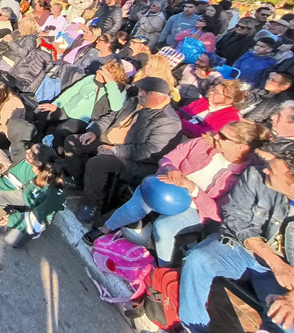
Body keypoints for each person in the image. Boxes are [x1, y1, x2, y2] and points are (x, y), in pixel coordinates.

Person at [84, 121, 268, 266]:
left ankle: (162, 269)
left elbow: (218, 211)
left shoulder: (245, 175)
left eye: (223, 137)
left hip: (197, 208)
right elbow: (169, 158)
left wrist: (193, 189)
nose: (216, 137)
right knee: (136, 206)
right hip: (167, 186)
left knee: (164, 228)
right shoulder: (202, 143)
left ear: (241, 146)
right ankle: (104, 229)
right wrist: (170, 168)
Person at [178, 143, 294, 333]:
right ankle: (192, 328)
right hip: (246, 249)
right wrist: (274, 262)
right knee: (199, 259)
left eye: (274, 169)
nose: (266, 170)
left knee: (287, 321)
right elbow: (234, 218)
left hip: (284, 276)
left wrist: (290, 299)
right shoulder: (256, 176)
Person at [61, 77, 182, 209]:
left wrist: (116, 150)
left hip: (135, 158)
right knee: (72, 142)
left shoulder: (168, 121)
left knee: (97, 163)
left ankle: (91, 203)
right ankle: (80, 181)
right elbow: (111, 116)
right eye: (140, 90)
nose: (140, 93)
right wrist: (94, 131)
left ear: (160, 97)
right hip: (109, 140)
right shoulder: (134, 101)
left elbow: (150, 151)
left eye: (145, 92)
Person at [0, 145, 65, 247]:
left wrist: (13, 220)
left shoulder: (52, 190)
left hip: (38, 215)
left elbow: (38, 217)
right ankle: (17, 212)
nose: (27, 151)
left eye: (31, 152)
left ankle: (29, 226)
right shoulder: (30, 164)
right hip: (27, 200)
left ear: (38, 163)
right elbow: (14, 180)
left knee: (12, 240)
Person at [34, 62, 128, 148]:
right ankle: (34, 143)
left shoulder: (117, 91)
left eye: (103, 72)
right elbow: (71, 92)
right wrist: (55, 104)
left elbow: (116, 106)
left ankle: (51, 156)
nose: (99, 71)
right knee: (42, 113)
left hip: (83, 119)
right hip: (67, 108)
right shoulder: (90, 78)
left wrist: (110, 83)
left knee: (62, 130)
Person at [176, 79, 245, 139]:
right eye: (213, 89)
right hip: (177, 129)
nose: (211, 92)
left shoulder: (230, 118)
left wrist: (178, 122)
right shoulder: (204, 101)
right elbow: (182, 112)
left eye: (216, 92)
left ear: (229, 100)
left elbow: (203, 134)